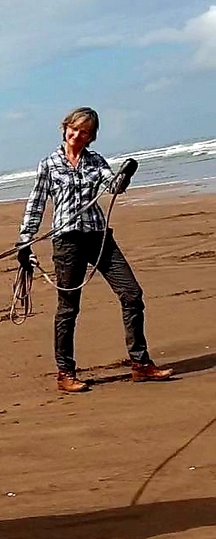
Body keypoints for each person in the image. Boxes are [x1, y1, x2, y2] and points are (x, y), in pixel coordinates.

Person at [17, 107, 173, 393]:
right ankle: (65, 373)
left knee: (132, 294)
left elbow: (112, 186)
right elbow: (36, 203)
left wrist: (125, 176)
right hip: (67, 242)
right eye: (74, 129)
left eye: (84, 132)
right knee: (68, 308)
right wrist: (25, 240)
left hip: (100, 238)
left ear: (91, 136)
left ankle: (140, 364)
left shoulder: (96, 161)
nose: (77, 135)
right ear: (65, 128)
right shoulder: (49, 164)